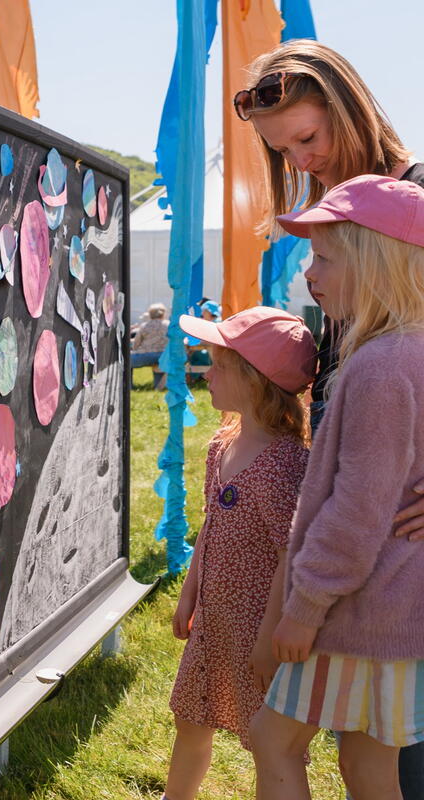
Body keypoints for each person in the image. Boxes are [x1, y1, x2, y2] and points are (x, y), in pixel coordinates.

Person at [238, 41, 424, 791]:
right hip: (352, 514)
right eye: (284, 152)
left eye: (309, 140)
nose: (303, 161)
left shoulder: (411, 204)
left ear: (347, 105)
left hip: (390, 546)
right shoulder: (331, 221)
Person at [162, 307, 316, 800]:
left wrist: (270, 637)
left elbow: (291, 551)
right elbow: (210, 524)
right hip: (213, 625)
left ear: (254, 380)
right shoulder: (220, 445)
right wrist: (190, 595)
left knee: (270, 745)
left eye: (218, 365)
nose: (207, 373)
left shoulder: (285, 464)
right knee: (192, 718)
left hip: (258, 635)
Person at [131, 303, 170, 389]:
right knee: (159, 364)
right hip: (164, 355)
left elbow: (136, 344)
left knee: (127, 361)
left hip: (145, 355)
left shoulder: (145, 326)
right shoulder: (169, 325)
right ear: (163, 314)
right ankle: (159, 385)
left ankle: (128, 386)